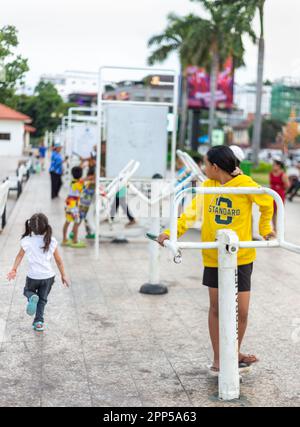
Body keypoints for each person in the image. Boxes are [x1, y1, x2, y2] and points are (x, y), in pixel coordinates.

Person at [157, 145, 275, 374]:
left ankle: (234, 352)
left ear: (215, 166)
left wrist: (265, 229)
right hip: (214, 256)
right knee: (217, 308)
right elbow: (190, 215)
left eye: (205, 163)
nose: (202, 167)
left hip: (241, 256)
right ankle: (220, 358)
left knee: (241, 310)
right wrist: (171, 233)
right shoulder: (207, 187)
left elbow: (267, 203)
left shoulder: (245, 184)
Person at [7, 213, 70, 332]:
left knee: (27, 291)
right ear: (46, 226)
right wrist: (63, 275)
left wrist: (14, 269)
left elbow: (19, 256)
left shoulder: (27, 240)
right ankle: (39, 322)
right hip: (48, 277)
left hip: (33, 276)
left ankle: (31, 296)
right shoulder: (51, 241)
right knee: (42, 300)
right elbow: (59, 261)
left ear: (30, 227)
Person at [62, 166, 85, 247]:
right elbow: (83, 189)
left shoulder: (72, 182)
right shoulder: (79, 184)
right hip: (74, 206)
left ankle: (64, 239)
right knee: (76, 222)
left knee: (67, 221)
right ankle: (74, 241)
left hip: (68, 204)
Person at [269, 160, 289, 230]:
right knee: (272, 211)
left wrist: (281, 189)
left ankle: (280, 227)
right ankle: (274, 228)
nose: (273, 166)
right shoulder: (271, 173)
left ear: (279, 166)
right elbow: (270, 183)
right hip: (272, 194)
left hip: (280, 193)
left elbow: (287, 185)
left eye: (274, 165)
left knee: (279, 211)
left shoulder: (283, 174)